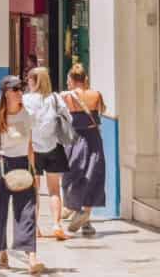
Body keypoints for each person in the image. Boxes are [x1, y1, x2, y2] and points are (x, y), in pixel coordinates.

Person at [0, 75, 43, 274]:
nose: (20, 93)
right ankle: (2, 252)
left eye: (21, 88)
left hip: (22, 166)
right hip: (0, 165)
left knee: (27, 212)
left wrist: (34, 172)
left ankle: (32, 259)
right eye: (16, 89)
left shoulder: (27, 114)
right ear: (7, 93)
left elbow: (29, 146)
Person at [23, 67, 71, 239]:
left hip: (32, 149)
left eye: (29, 78)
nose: (27, 80)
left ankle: (34, 227)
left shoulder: (26, 99)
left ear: (36, 81)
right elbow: (68, 118)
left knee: (33, 191)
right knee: (54, 190)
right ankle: (57, 224)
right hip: (54, 147)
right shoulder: (55, 98)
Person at [62, 64, 106, 236]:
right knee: (93, 177)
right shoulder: (96, 94)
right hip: (94, 139)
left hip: (75, 139)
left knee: (70, 176)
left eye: (68, 80)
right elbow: (102, 111)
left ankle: (74, 208)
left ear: (72, 80)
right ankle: (86, 219)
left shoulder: (67, 96)